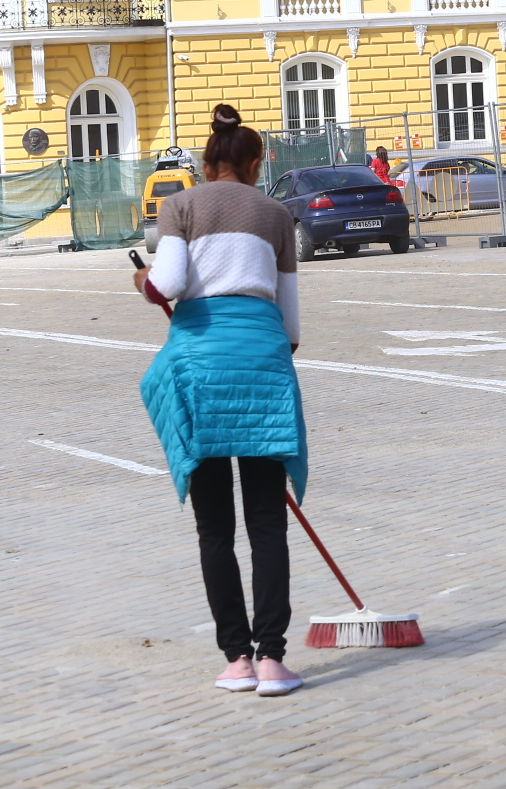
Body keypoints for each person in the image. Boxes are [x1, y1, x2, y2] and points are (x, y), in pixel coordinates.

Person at [135, 104, 307, 696]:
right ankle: (273, 660)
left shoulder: (179, 205)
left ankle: (236, 658)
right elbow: (290, 326)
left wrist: (143, 283)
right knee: (267, 523)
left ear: (207, 164)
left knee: (216, 529)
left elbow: (169, 285)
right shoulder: (277, 214)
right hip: (261, 367)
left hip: (201, 371)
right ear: (255, 164)